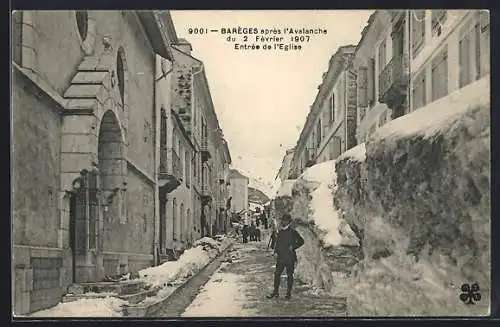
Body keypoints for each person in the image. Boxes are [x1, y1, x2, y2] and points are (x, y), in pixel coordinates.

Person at [267, 213, 304, 300]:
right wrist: (275, 252)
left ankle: (288, 293)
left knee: (289, 275)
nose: (282, 222)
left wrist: (293, 247)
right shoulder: (280, 232)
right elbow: (278, 243)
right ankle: (275, 292)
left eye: (284, 220)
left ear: (288, 222)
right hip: (281, 257)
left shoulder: (293, 232)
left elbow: (301, 241)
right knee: (277, 274)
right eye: (282, 220)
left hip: (289, 257)